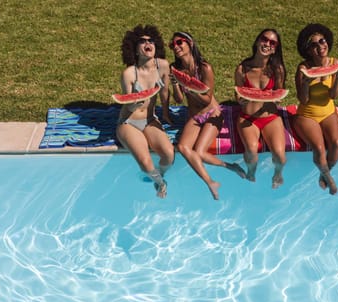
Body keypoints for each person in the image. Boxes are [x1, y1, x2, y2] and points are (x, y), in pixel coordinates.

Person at [169, 31, 245, 200]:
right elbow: (179, 99)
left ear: (190, 43)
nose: (176, 47)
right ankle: (210, 181)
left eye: (179, 42)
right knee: (183, 148)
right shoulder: (176, 69)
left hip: (212, 114)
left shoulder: (205, 68)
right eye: (172, 45)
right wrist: (176, 85)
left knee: (201, 152)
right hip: (194, 116)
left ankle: (230, 166)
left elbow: (207, 99)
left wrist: (189, 87)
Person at [116, 25, 175, 198]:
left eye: (151, 41)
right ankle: (160, 183)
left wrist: (165, 113)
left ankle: (158, 175)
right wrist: (136, 102)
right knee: (145, 163)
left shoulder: (163, 66)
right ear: (134, 49)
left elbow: (164, 93)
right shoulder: (129, 74)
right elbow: (128, 105)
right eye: (142, 41)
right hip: (128, 123)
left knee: (169, 155)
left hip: (150, 119)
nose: (147, 43)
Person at [292, 23, 338, 195]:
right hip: (307, 114)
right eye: (314, 45)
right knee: (318, 147)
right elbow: (303, 99)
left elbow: (333, 95)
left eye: (322, 41)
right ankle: (328, 178)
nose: (320, 46)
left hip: (328, 111)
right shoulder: (303, 69)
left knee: (336, 144)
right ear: (308, 50)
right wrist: (306, 83)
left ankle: (325, 172)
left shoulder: (335, 63)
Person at [234, 29, 287, 189]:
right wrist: (241, 99)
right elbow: (238, 95)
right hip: (248, 118)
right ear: (258, 41)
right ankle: (251, 172)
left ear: (275, 48)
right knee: (251, 152)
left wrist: (276, 98)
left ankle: (277, 174)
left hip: (270, 117)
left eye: (272, 43)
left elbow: (279, 91)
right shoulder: (242, 68)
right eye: (265, 39)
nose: (267, 44)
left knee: (280, 157)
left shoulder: (277, 70)